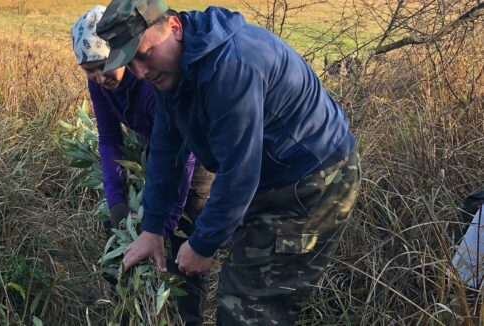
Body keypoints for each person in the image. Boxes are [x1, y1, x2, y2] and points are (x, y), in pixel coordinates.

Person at [96, 0, 362, 325]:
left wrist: (203, 243)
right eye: (129, 62)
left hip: (313, 183)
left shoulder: (231, 66)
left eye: (143, 54)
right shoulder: (174, 71)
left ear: (174, 28)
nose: (140, 72)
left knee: (249, 308)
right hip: (270, 177)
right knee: (242, 288)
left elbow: (240, 173)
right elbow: (166, 150)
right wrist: (152, 228)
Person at [71, 6, 214, 324]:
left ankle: (187, 316)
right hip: (152, 152)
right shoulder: (100, 85)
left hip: (192, 153)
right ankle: (130, 311)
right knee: (120, 231)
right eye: (89, 70)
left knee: (183, 242)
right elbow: (109, 139)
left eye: (103, 65)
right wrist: (117, 200)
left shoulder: (148, 81)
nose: (99, 77)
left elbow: (183, 154)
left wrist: (162, 225)